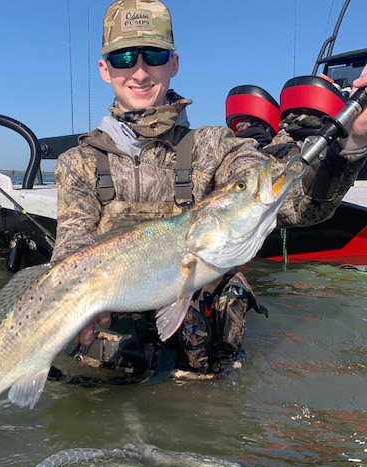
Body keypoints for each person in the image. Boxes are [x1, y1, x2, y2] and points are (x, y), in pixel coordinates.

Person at [51, 0, 367, 379]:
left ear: (174, 63)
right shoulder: (78, 163)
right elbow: (70, 250)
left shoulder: (217, 146)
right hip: (110, 376)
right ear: (105, 69)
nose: (139, 72)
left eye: (154, 54)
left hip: (203, 377)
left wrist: (353, 144)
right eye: (123, 58)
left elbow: (300, 208)